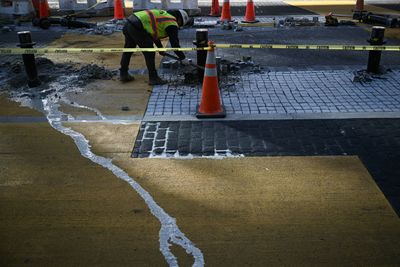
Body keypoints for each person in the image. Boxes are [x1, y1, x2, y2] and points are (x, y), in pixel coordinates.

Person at [120, 9, 191, 85]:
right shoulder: (172, 23)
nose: (178, 26)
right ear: (180, 19)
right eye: (181, 24)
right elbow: (175, 45)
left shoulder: (163, 15)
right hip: (137, 27)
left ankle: (123, 74)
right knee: (150, 53)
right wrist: (183, 58)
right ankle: (153, 78)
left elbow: (153, 34)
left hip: (129, 23)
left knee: (128, 49)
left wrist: (160, 48)